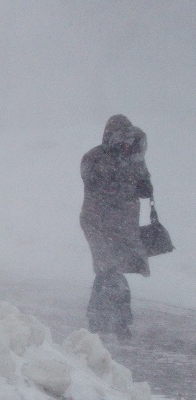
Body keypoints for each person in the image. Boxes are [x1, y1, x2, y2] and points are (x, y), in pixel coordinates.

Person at [80, 114, 153, 340]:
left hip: (120, 224)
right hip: (99, 222)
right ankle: (117, 322)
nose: (125, 144)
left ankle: (101, 320)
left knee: (108, 270)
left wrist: (138, 179)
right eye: (121, 139)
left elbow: (144, 188)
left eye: (128, 139)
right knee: (109, 269)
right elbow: (93, 185)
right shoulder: (97, 157)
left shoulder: (131, 159)